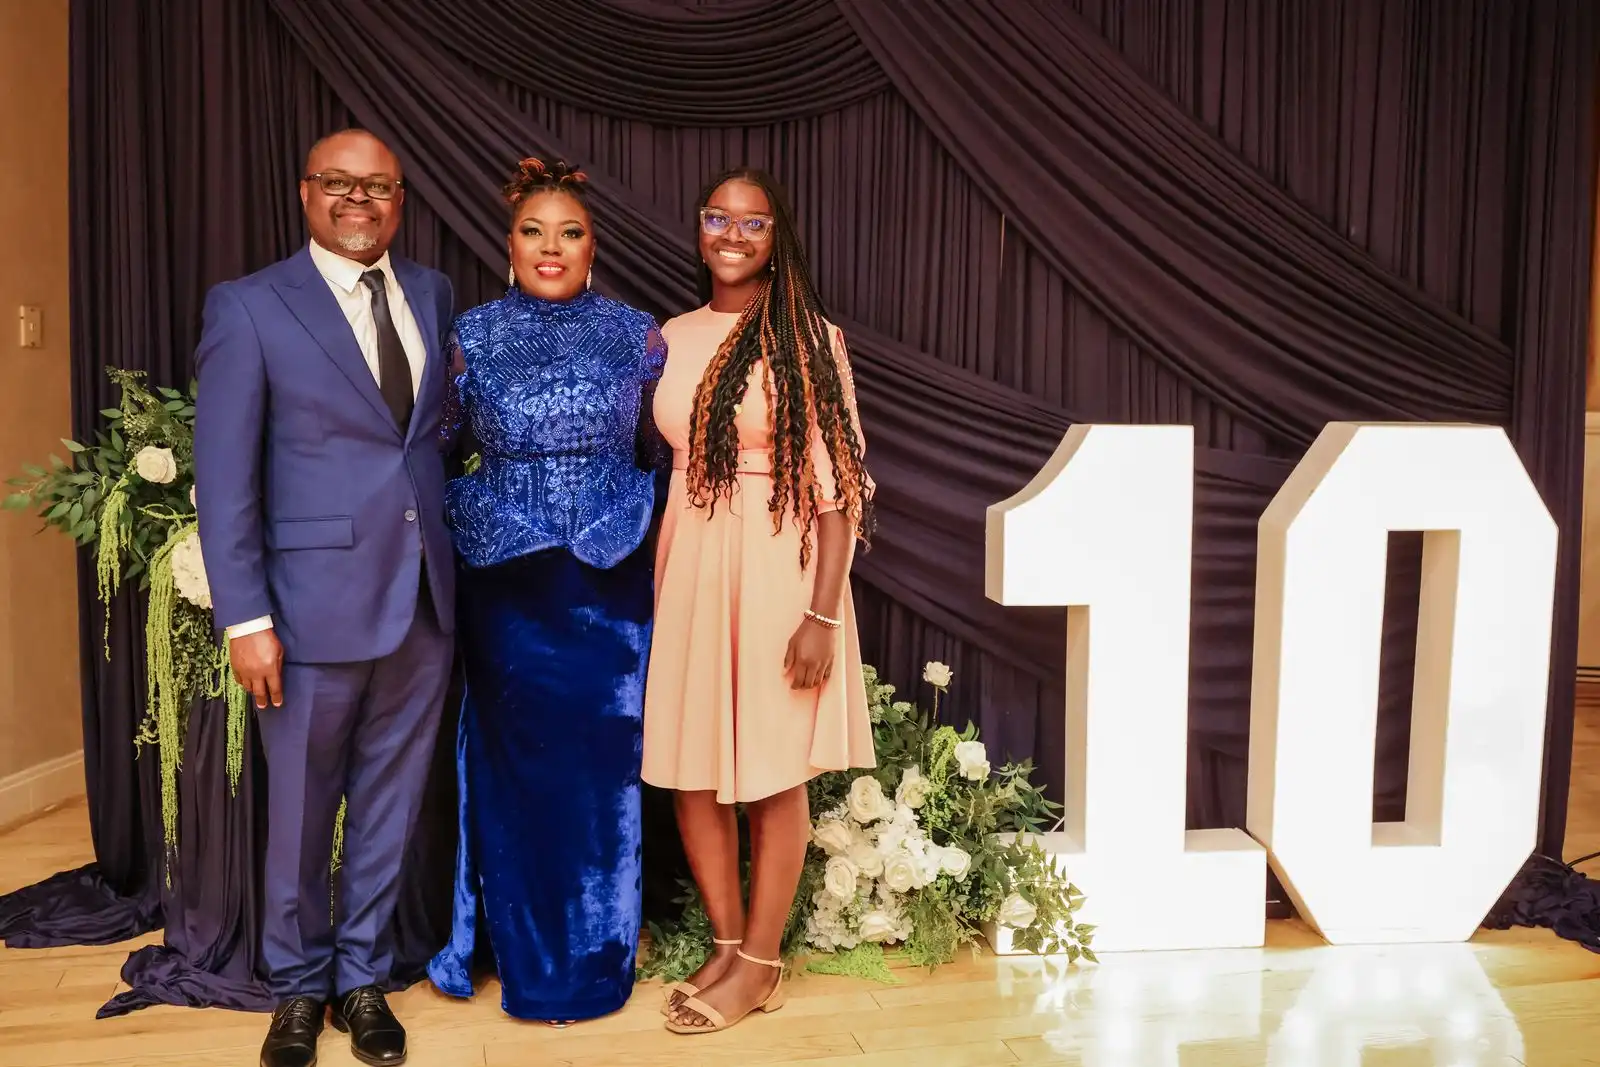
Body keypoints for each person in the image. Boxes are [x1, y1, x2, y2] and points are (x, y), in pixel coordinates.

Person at [194, 129, 455, 1067]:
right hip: (306, 611)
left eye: (377, 185)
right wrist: (246, 618)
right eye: (338, 183)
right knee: (302, 811)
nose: (358, 200)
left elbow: (422, 443)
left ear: (400, 198)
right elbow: (224, 477)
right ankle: (298, 988)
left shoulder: (431, 292)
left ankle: (363, 980)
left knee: (391, 805)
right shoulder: (251, 306)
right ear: (305, 192)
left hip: (423, 603)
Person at [425, 158, 667, 1025]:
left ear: (594, 248)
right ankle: (520, 952)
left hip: (609, 585)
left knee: (604, 770)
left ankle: (600, 956)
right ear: (510, 244)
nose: (551, 246)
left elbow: (655, 451)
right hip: (507, 588)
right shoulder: (472, 334)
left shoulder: (639, 336)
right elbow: (439, 448)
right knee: (517, 765)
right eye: (534, 231)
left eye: (570, 232)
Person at [642, 168, 877, 1035]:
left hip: (780, 569)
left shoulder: (808, 337)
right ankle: (730, 943)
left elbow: (840, 488)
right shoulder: (674, 334)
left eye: (753, 223)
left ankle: (764, 964)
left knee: (772, 775)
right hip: (693, 563)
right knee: (694, 771)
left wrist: (822, 614)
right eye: (718, 218)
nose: (733, 235)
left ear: (778, 239)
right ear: (699, 228)